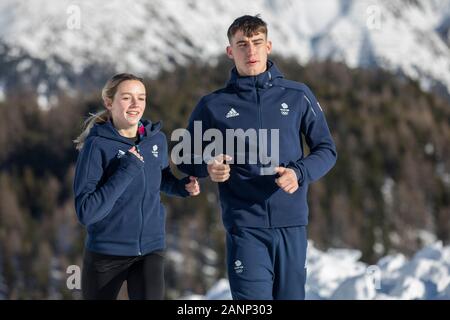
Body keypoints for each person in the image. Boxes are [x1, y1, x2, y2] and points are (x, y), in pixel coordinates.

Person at [178, 15, 337, 300]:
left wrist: (298, 173)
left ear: (269, 46)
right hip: (244, 227)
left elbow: (326, 150)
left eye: (256, 43)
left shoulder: (298, 95)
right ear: (230, 51)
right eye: (242, 44)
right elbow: (184, 157)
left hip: (292, 224)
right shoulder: (212, 104)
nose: (250, 51)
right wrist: (208, 166)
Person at [73, 73, 200, 300]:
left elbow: (160, 178)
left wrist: (181, 187)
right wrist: (126, 169)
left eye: (141, 98)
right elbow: (86, 212)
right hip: (106, 252)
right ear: (109, 102)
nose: (135, 105)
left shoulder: (155, 140)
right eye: (127, 98)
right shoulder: (96, 146)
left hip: (150, 249)